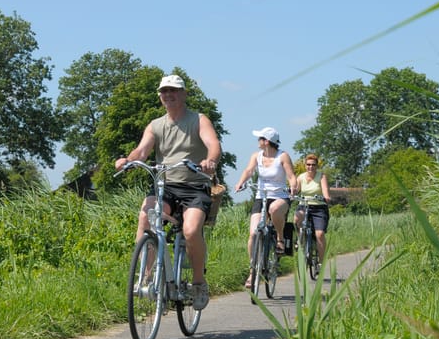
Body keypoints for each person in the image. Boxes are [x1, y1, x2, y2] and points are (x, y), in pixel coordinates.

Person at [115, 74, 221, 311]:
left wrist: (210, 161)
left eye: (173, 91)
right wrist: (128, 160)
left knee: (191, 230)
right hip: (166, 187)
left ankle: (198, 282)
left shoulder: (198, 120)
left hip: (194, 186)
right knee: (146, 217)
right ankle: (148, 276)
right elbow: (142, 150)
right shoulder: (155, 125)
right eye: (164, 91)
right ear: (160, 96)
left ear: (184, 94)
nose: (168, 95)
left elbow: (213, 144)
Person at [234, 127, 297, 288]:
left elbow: (291, 176)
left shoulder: (282, 156)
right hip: (261, 196)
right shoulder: (257, 156)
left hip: (279, 196)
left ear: (267, 141)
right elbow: (249, 170)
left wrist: (293, 188)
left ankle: (280, 238)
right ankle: (252, 271)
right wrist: (241, 182)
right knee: (254, 233)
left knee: (274, 209)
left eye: (260, 139)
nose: (258, 142)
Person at [293, 153, 331, 273]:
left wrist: (326, 197)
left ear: (317, 166)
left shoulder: (321, 176)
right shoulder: (301, 177)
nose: (311, 167)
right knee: (296, 219)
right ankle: (299, 241)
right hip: (304, 205)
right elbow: (296, 190)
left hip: (319, 207)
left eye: (313, 165)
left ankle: (320, 262)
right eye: (308, 165)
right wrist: (291, 194)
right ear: (305, 165)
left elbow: (325, 190)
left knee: (319, 234)